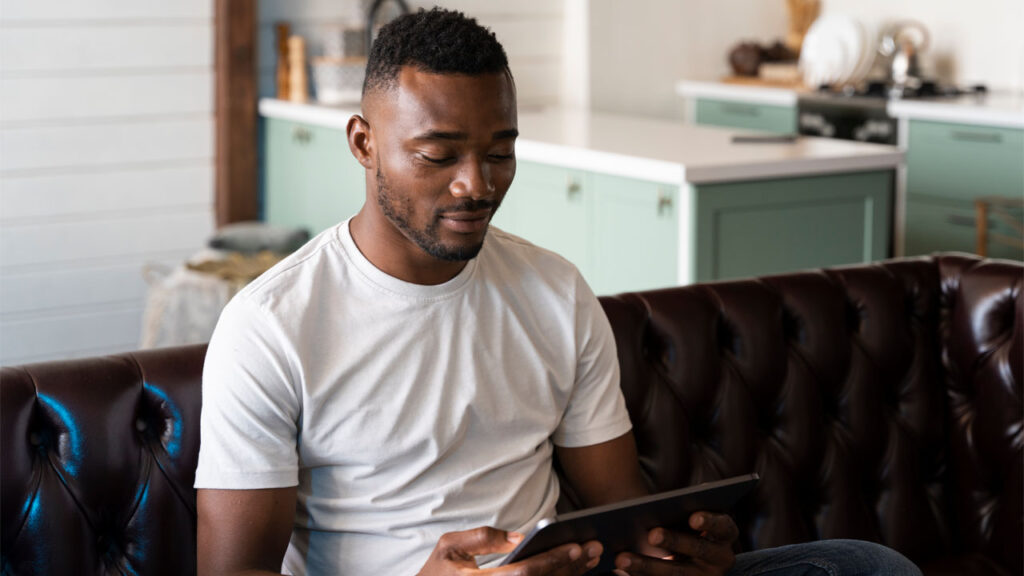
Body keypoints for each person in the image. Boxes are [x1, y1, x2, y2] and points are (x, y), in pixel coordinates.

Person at [195, 8, 922, 576]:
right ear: (363, 144)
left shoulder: (552, 290)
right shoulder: (271, 327)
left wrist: (672, 552)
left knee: (865, 566)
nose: (474, 185)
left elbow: (617, 506)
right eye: (438, 155)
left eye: (500, 153)